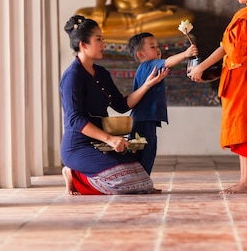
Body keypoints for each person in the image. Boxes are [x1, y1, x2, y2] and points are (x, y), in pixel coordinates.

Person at [60, 15, 169, 195]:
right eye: (99, 39)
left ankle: (84, 175)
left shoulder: (101, 73)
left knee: (143, 181)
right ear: (83, 45)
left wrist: (148, 84)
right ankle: (74, 174)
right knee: (128, 183)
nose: (104, 43)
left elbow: (121, 104)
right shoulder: (72, 76)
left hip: (102, 144)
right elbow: (75, 120)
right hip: (78, 147)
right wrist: (110, 139)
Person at [188, 0, 247, 194]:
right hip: (240, 70)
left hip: (241, 72)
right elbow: (231, 50)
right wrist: (209, 73)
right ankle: (246, 180)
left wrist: (202, 67)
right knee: (242, 122)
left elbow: (229, 50)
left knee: (244, 123)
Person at [127, 32, 198, 175]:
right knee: (143, 153)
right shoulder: (148, 65)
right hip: (143, 119)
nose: (157, 49)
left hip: (145, 119)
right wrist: (185, 54)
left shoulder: (148, 67)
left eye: (157, 45)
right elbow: (168, 62)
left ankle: (142, 182)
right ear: (141, 55)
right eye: (152, 46)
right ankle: (139, 182)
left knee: (147, 152)